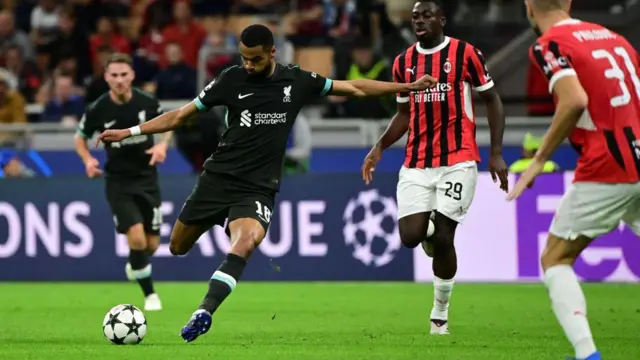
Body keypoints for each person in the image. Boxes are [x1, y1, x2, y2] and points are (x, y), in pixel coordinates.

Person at [95, 24, 437, 343]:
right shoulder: (230, 80)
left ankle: (204, 311)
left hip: (257, 187)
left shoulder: (296, 81)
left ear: (272, 53)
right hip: (218, 178)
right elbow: (182, 114)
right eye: (244, 58)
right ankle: (212, 234)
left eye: (255, 59)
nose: (248, 65)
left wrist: (403, 88)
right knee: (177, 247)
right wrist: (131, 132)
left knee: (245, 243)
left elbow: (354, 86)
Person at [361, 0, 509, 336]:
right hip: (416, 162)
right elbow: (403, 114)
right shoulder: (403, 63)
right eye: (415, 17)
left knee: (444, 237)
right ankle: (429, 230)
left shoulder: (465, 53)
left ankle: (439, 314)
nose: (420, 21)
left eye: (427, 15)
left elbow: (492, 98)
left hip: (458, 158)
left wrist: (496, 152)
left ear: (442, 20)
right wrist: (380, 146)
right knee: (411, 237)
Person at [507, 1, 640, 359]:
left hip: (608, 165)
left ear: (529, 8)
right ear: (568, 2)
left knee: (556, 257)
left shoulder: (549, 44)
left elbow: (575, 99)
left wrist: (538, 160)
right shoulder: (615, 39)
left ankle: (587, 354)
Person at [74, 53, 171, 312]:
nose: (119, 80)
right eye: (114, 75)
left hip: (148, 178)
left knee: (150, 245)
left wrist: (162, 146)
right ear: (106, 77)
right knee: (137, 238)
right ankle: (150, 295)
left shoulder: (148, 102)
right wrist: (87, 160)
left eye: (123, 75)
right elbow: (79, 137)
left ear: (132, 76)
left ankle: (135, 263)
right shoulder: (98, 108)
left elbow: (167, 126)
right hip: (118, 181)